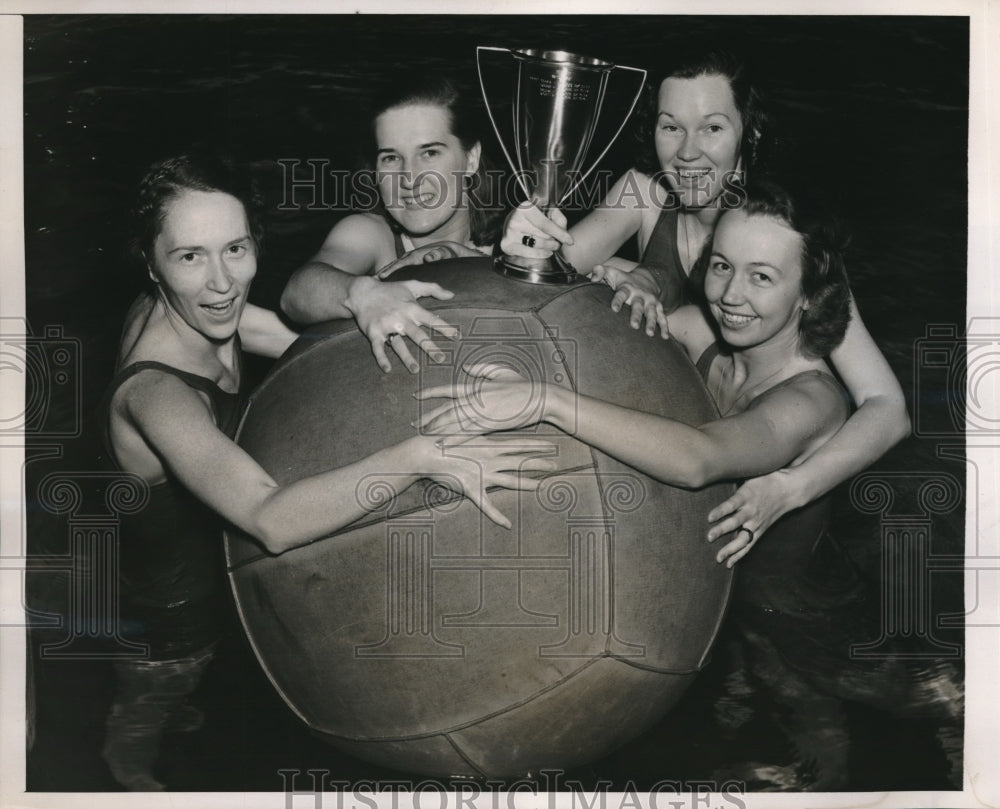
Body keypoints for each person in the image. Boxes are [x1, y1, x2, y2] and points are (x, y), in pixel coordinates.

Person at [418, 179, 958, 788]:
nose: (730, 293)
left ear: (808, 296)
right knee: (788, 697)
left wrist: (545, 399)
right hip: (734, 597)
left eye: (762, 277)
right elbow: (581, 301)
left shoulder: (811, 398)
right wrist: (507, 257)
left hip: (808, 614)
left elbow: (700, 458)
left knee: (918, 699)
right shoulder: (700, 334)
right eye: (722, 267)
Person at [100, 155, 553, 791]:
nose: (223, 282)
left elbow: (300, 343)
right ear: (152, 264)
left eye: (235, 248)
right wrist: (415, 457)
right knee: (152, 714)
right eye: (190, 257)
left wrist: (380, 291)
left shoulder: (198, 311)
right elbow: (271, 519)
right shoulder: (155, 393)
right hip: (175, 605)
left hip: (228, 559)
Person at [499, 49, 908, 561]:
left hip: (770, 437)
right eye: (671, 127)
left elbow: (888, 409)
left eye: (712, 128)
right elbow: (545, 280)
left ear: (748, 135)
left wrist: (793, 486)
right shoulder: (642, 194)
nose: (688, 152)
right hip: (701, 414)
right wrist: (520, 246)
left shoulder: (784, 236)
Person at [280, 72, 502, 373]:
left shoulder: (510, 243)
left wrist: (467, 258)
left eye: (430, 152)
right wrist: (363, 293)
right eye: (391, 158)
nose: (409, 178)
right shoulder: (373, 235)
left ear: (471, 158)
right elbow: (296, 294)